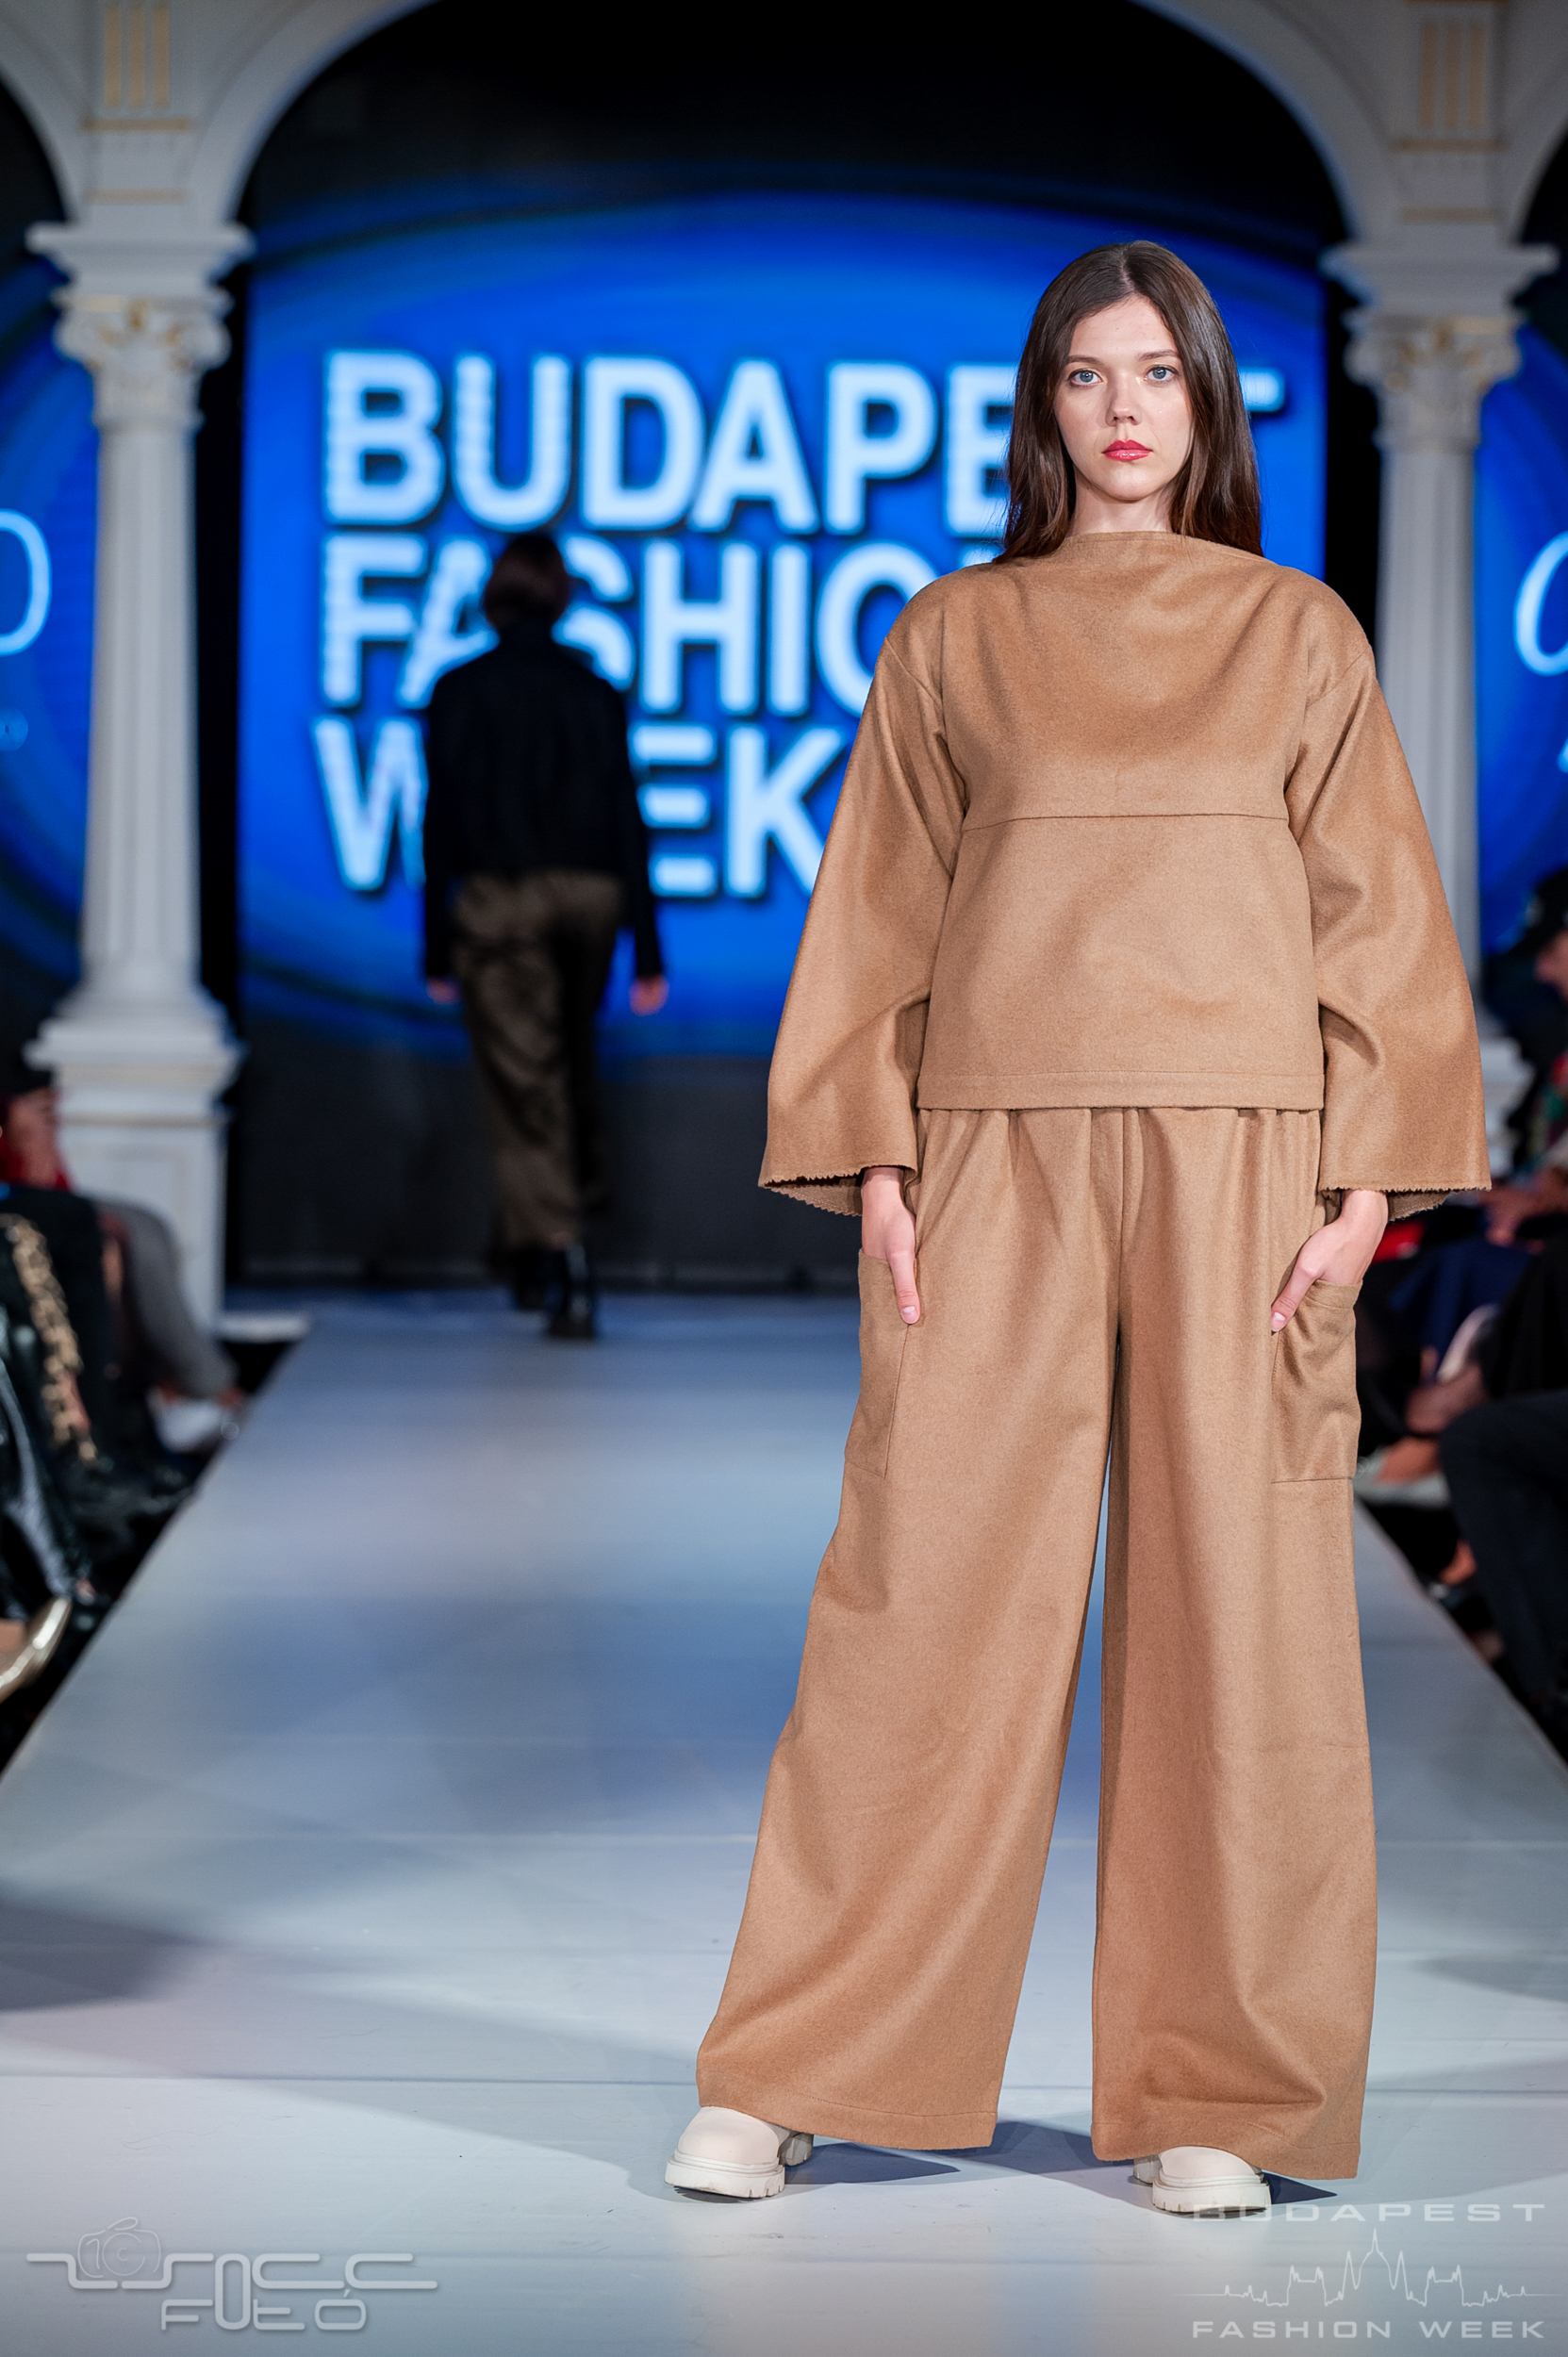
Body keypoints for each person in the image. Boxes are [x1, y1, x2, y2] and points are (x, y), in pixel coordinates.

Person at [665, 242, 1488, 2218]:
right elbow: (880, 900)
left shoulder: (1295, 633)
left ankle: (1226, 2087)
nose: (1124, 411)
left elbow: (1375, 911)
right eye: (1086, 376)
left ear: (1208, 402)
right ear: (1042, 405)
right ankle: (798, 2062)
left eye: (1159, 375)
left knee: (1245, 1624)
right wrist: (874, 1151)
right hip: (991, 1151)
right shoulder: (954, 633)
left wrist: (1365, 1185)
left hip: (1245, 1158)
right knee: (915, 1600)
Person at [421, 533, 668, 1340]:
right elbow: (627, 815)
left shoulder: (459, 690)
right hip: (591, 898)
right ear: (561, 598)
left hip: (502, 900)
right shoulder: (593, 690)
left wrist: (435, 942)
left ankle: (564, 1258)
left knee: (525, 1081)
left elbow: (439, 820)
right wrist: (647, 945)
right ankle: (526, 1248)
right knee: (558, 1066)